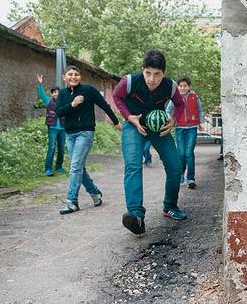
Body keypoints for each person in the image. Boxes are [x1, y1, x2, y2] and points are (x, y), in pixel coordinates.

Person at [112, 50, 188, 235]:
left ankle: (170, 206)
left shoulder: (170, 86)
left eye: (157, 74)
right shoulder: (129, 81)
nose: (152, 79)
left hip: (158, 127)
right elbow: (117, 97)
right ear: (142, 70)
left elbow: (180, 104)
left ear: (163, 73)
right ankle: (136, 216)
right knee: (133, 166)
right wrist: (129, 117)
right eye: (148, 73)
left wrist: (174, 121)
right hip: (134, 125)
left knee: (175, 167)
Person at [55, 65, 121, 214]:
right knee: (78, 168)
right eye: (70, 74)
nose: (73, 77)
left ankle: (72, 202)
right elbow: (58, 112)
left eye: (76, 74)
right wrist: (72, 104)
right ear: (64, 78)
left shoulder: (89, 90)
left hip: (85, 133)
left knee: (75, 167)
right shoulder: (63, 94)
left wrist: (116, 122)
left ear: (80, 77)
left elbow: (105, 105)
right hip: (70, 135)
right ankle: (95, 192)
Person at [165, 76, 204, 189]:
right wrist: (171, 120)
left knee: (189, 154)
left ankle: (191, 179)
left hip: (192, 128)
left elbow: (200, 110)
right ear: (178, 87)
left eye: (185, 86)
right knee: (181, 154)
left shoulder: (194, 97)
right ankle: (180, 176)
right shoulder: (175, 98)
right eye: (181, 86)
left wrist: (200, 122)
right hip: (179, 128)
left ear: (189, 87)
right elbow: (167, 110)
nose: (183, 88)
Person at [36, 74, 66, 176]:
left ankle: (59, 167)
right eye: (54, 92)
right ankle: (48, 169)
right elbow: (41, 94)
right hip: (52, 128)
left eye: (58, 92)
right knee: (52, 147)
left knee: (61, 149)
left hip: (62, 128)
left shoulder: (63, 103)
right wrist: (40, 83)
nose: (57, 94)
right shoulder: (48, 101)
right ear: (52, 94)